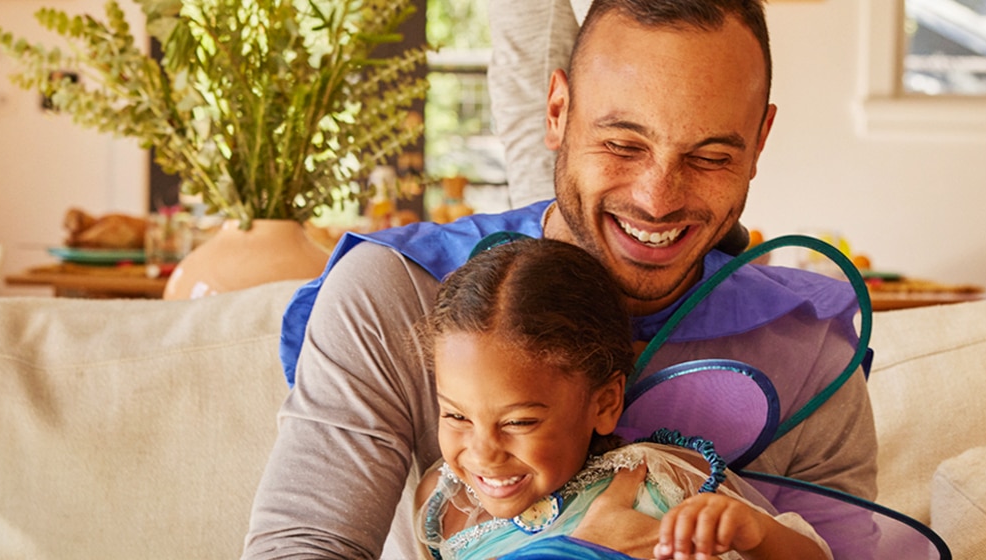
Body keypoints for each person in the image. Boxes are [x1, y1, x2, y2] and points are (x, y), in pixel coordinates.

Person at [242, 0, 878, 558]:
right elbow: (307, 546)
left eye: (711, 157)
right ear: (557, 111)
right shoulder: (394, 291)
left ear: (759, 142)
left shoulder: (809, 348)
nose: (658, 199)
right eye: (623, 145)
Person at [411, 237, 828, 560]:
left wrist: (756, 534)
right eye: (455, 415)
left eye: (519, 422)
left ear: (606, 403)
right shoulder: (444, 504)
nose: (483, 453)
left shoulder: (654, 482)